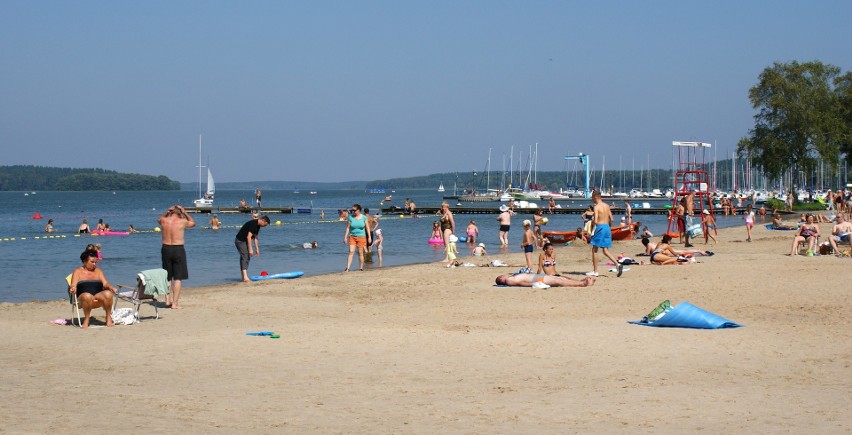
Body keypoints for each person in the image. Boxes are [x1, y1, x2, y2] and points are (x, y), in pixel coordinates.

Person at [158, 205, 196, 308]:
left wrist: (166, 211)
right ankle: (174, 303)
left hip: (166, 248)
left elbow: (159, 219)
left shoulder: (164, 220)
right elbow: (193, 223)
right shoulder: (182, 221)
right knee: (178, 278)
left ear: (171, 212)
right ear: (180, 214)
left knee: (167, 277)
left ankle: (167, 301)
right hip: (178, 248)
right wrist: (185, 212)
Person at [69, 249, 116, 328]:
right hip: (82, 299)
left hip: (97, 297)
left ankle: (108, 318)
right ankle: (86, 320)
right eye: (92, 262)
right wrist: (73, 288)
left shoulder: (98, 271)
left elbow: (105, 283)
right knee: (87, 296)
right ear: (84, 261)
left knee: (108, 293)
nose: (94, 264)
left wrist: (111, 287)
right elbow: (73, 284)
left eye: (95, 262)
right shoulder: (77, 271)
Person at [588, 190, 623, 277]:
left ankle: (595, 271)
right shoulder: (607, 206)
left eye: (592, 197)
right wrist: (609, 227)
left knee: (594, 249)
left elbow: (595, 221)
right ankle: (617, 264)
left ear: (596, 197)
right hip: (607, 227)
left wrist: (590, 224)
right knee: (605, 250)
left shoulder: (596, 207)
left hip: (600, 227)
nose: (592, 199)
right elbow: (612, 219)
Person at [235, 215, 271, 281]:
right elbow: (248, 237)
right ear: (262, 220)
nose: (264, 226)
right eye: (265, 225)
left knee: (245, 257)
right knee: (245, 256)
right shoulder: (253, 224)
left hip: (244, 241)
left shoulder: (258, 226)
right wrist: (251, 249)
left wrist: (257, 249)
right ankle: (245, 277)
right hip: (240, 241)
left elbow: (255, 238)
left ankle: (244, 277)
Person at [343, 204, 370, 271]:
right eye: (352, 210)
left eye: (354, 210)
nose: (353, 211)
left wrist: (369, 237)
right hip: (352, 236)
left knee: (360, 253)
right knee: (351, 251)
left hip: (361, 237)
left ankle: (361, 268)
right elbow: (348, 228)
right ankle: (348, 268)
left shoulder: (364, 217)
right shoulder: (350, 217)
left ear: (359, 210)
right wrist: (345, 237)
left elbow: (367, 228)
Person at [495, 273, 595, 288]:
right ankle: (583, 283)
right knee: (559, 281)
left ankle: (581, 281)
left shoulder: (510, 278)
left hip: (536, 276)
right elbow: (520, 283)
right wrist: (533, 284)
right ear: (501, 279)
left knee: (559, 279)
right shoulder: (508, 281)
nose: (504, 275)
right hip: (536, 279)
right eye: (501, 276)